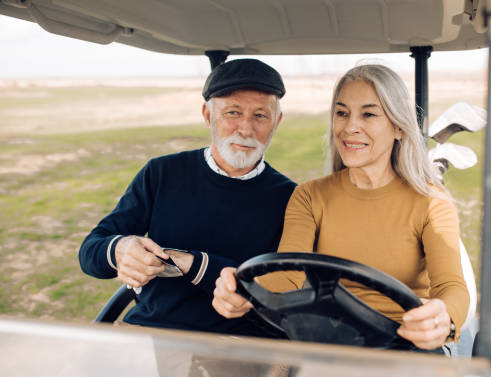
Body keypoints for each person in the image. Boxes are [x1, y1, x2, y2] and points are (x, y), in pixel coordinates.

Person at [212, 64, 469, 352]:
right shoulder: (310, 196)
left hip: (403, 346)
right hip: (329, 343)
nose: (349, 127)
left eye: (368, 114)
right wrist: (244, 292)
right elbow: (287, 277)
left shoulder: (431, 202)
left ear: (398, 126)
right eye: (342, 113)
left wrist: (445, 318)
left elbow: (452, 287)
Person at [79, 58, 296, 336]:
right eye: (232, 113)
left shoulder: (291, 197)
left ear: (276, 121)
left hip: (242, 346)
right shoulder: (161, 173)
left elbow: (285, 287)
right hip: (153, 333)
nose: (246, 128)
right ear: (208, 116)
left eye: (260, 116)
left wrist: (194, 264)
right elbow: (90, 252)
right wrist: (119, 249)